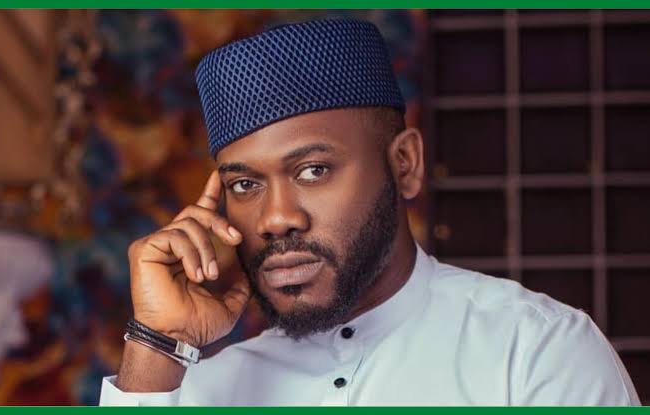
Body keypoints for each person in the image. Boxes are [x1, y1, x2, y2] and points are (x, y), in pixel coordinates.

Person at [99, 18, 639, 406]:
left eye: (313, 170)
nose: (276, 219)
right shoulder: (199, 392)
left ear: (404, 165)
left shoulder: (534, 353)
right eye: (245, 184)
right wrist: (157, 343)